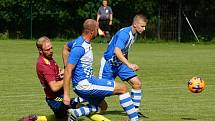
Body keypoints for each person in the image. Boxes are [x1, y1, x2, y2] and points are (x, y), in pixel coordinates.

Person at [63, 19, 140, 121]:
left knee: (102, 106)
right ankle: (135, 120)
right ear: (91, 32)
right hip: (85, 84)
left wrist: (65, 65)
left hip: (86, 83)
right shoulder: (80, 47)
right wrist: (66, 95)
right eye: (97, 29)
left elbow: (65, 48)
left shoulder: (78, 41)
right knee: (123, 88)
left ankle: (76, 112)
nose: (99, 31)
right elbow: (68, 70)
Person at [98, 14, 148, 118]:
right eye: (142, 26)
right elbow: (117, 51)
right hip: (109, 64)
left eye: (144, 26)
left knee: (137, 83)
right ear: (135, 25)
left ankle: (135, 111)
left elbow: (125, 50)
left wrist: (127, 64)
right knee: (101, 92)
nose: (144, 29)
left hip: (120, 64)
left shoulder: (134, 34)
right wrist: (129, 64)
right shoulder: (125, 34)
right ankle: (76, 102)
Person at [36, 36, 85, 120]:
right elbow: (54, 87)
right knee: (78, 109)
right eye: (47, 50)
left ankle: (34, 118)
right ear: (40, 51)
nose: (51, 51)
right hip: (55, 100)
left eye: (51, 48)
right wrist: (67, 75)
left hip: (59, 96)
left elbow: (55, 74)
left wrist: (62, 72)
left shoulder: (49, 58)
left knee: (81, 106)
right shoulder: (44, 65)